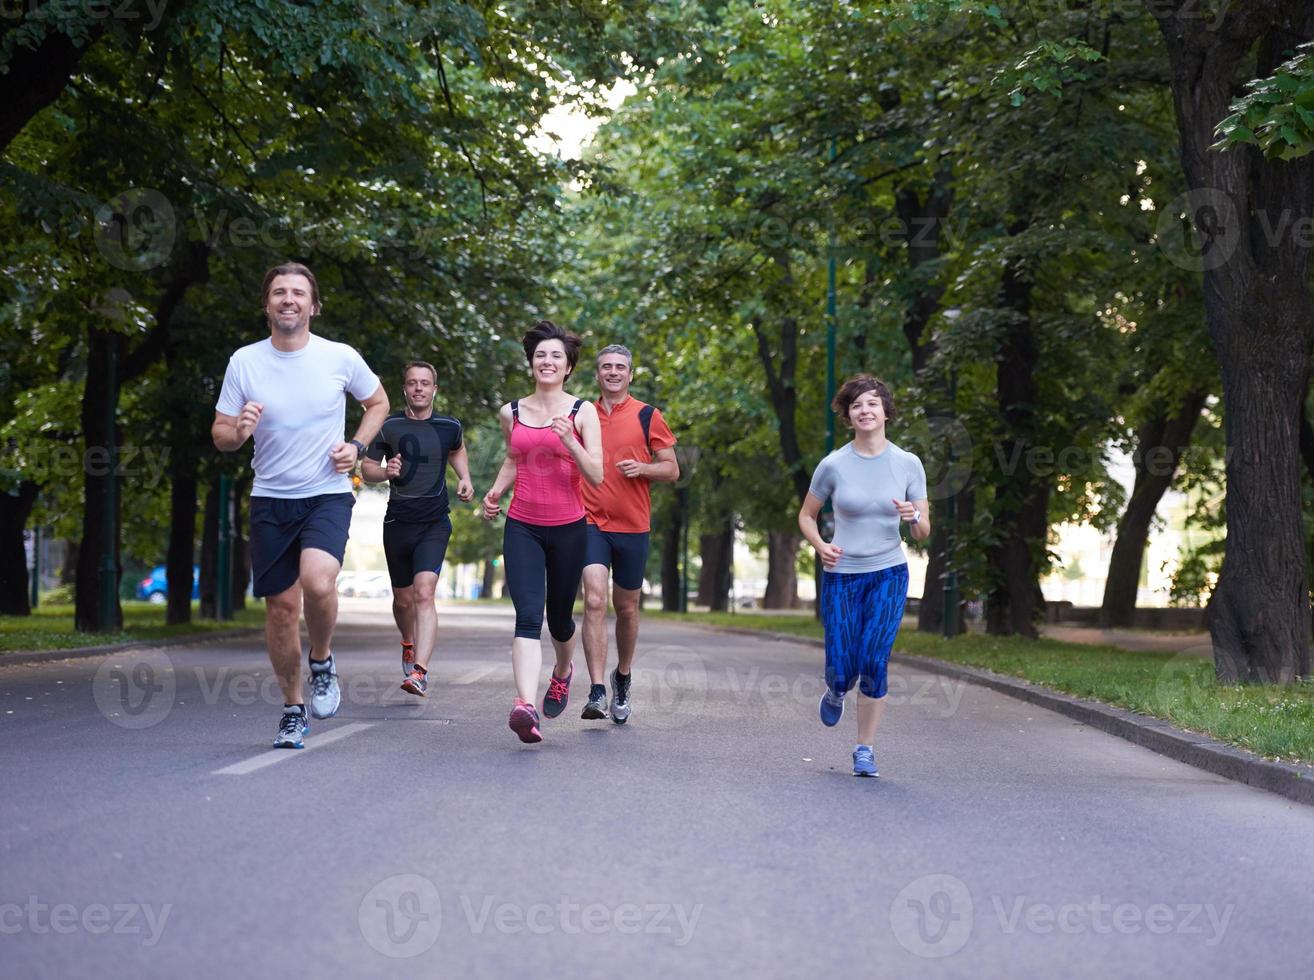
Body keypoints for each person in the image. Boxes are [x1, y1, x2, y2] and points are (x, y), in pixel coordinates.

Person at [212, 261, 389, 749]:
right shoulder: (244, 361)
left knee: (317, 581)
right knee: (281, 609)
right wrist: (239, 430)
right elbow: (222, 435)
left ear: (313, 305)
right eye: (278, 292)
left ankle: (323, 659)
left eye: (297, 293)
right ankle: (293, 709)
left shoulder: (339, 357)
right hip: (270, 497)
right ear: (267, 304)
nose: (288, 299)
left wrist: (356, 446)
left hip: (326, 494)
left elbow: (378, 403)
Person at [797, 375, 928, 777]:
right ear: (848, 416)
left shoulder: (908, 463)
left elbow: (923, 532)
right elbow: (806, 516)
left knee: (874, 659)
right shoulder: (833, 464)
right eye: (857, 405)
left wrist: (914, 516)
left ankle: (864, 749)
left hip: (889, 572)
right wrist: (821, 546)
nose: (865, 410)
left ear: (886, 412)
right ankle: (836, 689)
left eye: (872, 403)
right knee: (841, 664)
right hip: (842, 574)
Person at [480, 321, 603, 743]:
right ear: (531, 363)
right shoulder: (510, 412)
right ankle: (523, 705)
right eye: (540, 356)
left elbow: (598, 474)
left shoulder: (582, 411)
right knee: (528, 616)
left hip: (569, 527)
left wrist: (571, 442)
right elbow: (515, 459)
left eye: (556, 356)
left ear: (568, 366)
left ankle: (564, 671)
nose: (547, 362)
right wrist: (495, 492)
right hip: (522, 526)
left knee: (560, 620)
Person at [359, 360, 473, 698]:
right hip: (397, 522)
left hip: (434, 522)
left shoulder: (450, 426)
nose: (419, 388)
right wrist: (385, 471)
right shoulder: (389, 425)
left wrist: (464, 478)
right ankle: (408, 642)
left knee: (424, 593)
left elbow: (457, 449)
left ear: (434, 389)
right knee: (402, 599)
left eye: (425, 383)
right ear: (405, 389)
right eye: (412, 383)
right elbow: (366, 468)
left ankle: (420, 672)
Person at [578, 344, 679, 723]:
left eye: (621, 367)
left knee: (627, 608)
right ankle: (596, 690)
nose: (614, 372)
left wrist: (643, 468)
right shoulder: (582, 414)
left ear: (630, 374)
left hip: (633, 526)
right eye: (606, 367)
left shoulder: (648, 416)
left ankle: (621, 677)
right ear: (598, 374)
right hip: (590, 522)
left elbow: (671, 470)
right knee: (593, 599)